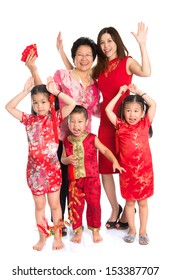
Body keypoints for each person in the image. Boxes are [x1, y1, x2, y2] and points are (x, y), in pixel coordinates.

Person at [56, 22, 151, 230]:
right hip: (107, 123)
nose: (106, 45)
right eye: (102, 42)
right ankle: (115, 209)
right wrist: (62, 53)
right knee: (105, 169)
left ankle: (128, 210)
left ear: (116, 42)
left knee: (127, 168)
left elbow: (146, 71)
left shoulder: (127, 61)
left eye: (109, 41)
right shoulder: (99, 69)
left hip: (126, 122)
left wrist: (142, 44)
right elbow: (76, 73)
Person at [25, 36, 101, 236]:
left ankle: (77, 221)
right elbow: (47, 97)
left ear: (93, 58)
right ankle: (60, 225)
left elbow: (96, 111)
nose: (83, 58)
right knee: (61, 182)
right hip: (59, 137)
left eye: (88, 55)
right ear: (73, 56)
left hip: (84, 141)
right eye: (79, 55)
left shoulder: (95, 85)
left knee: (80, 182)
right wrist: (34, 70)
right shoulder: (62, 76)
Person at [5, 76, 76, 250]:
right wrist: (25, 91)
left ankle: (57, 237)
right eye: (35, 102)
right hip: (35, 172)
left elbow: (72, 104)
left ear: (50, 101)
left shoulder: (55, 117)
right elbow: (9, 107)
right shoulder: (29, 120)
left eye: (43, 101)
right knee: (39, 206)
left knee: (55, 205)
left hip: (52, 171)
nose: (39, 106)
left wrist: (56, 91)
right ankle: (42, 237)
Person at [61, 105, 125, 243]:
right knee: (75, 206)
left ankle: (95, 230)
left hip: (92, 179)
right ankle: (77, 231)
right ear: (68, 123)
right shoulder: (67, 140)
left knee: (94, 205)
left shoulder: (92, 138)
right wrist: (67, 160)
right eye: (72, 121)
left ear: (86, 122)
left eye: (79, 122)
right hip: (74, 181)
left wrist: (114, 161)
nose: (76, 125)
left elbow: (105, 150)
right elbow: (62, 159)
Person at [105, 83, 156, 244]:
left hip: (145, 173)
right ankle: (132, 229)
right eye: (128, 110)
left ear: (142, 113)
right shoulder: (120, 126)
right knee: (129, 202)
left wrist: (139, 92)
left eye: (136, 111)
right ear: (123, 112)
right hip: (127, 172)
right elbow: (107, 110)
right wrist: (120, 93)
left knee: (143, 202)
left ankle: (143, 231)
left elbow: (153, 104)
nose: (132, 114)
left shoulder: (145, 123)